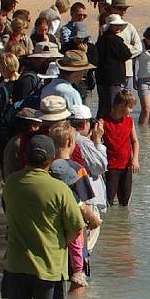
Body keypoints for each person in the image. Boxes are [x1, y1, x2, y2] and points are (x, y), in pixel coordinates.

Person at [0, 134, 84, 299]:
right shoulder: (60, 189)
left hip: (16, 263)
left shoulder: (11, 183)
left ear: (26, 157)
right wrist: (61, 243)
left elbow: (7, 210)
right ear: (51, 160)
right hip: (49, 265)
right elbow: (76, 228)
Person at [48, 121, 100, 289]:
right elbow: (83, 205)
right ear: (71, 143)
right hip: (75, 234)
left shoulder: (46, 169)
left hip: (51, 231)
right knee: (78, 281)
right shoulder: (78, 170)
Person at [69, 104, 108, 253]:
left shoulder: (66, 136)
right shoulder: (82, 141)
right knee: (84, 248)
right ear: (85, 123)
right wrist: (97, 141)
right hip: (87, 199)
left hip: (76, 197)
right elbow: (100, 166)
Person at [102, 89, 139, 207]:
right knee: (108, 201)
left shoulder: (129, 121)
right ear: (121, 105)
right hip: (111, 167)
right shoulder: (104, 122)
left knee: (125, 202)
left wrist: (135, 159)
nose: (131, 111)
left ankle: (123, 225)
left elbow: (135, 141)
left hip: (127, 166)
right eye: (130, 107)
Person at [95, 14, 132, 118]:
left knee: (102, 106)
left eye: (119, 25)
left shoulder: (100, 40)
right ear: (110, 26)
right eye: (116, 25)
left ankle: (100, 127)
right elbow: (127, 54)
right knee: (112, 107)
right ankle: (109, 129)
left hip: (101, 78)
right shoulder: (116, 40)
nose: (118, 27)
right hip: (113, 79)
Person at [107, 0, 142, 90]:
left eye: (125, 9)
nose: (123, 11)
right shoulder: (105, 27)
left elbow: (139, 48)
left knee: (128, 102)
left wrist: (123, 52)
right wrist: (127, 48)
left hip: (128, 72)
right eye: (120, 8)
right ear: (112, 9)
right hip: (113, 74)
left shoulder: (129, 27)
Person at [61, 21, 98, 102]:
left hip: (86, 83)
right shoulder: (66, 47)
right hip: (69, 82)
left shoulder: (91, 47)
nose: (80, 40)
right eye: (77, 38)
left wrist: (85, 53)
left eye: (82, 37)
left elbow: (94, 65)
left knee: (84, 109)